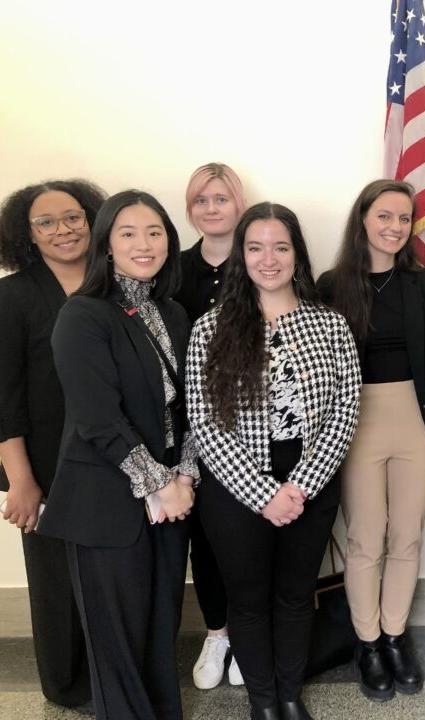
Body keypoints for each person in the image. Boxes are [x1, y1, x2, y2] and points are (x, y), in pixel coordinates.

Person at [186, 202, 361, 720]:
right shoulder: (210, 328)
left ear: (297, 255)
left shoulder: (329, 325)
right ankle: (262, 702)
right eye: (256, 247)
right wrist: (265, 494)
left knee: (293, 595)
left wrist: (300, 485)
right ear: (241, 256)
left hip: (312, 478)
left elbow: (346, 410)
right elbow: (204, 421)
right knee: (247, 600)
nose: (269, 259)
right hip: (236, 485)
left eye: (280, 247)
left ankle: (289, 694)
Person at [37, 190, 197, 720]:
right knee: (118, 645)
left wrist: (186, 477)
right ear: (106, 244)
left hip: (171, 503)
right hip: (107, 504)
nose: (143, 243)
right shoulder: (82, 314)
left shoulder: (170, 311)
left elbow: (190, 405)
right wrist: (160, 483)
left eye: (154, 232)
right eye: (127, 233)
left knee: (159, 631)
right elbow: (97, 419)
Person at [317, 179, 425, 701]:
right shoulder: (331, 284)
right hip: (355, 420)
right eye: (384, 216)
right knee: (366, 538)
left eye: (403, 219)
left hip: (412, 419)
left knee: (408, 535)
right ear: (363, 219)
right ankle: (366, 643)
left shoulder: (422, 285)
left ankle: (394, 635)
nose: (394, 228)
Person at [0, 179, 105, 709]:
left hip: (115, 458)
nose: (63, 229)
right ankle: (67, 686)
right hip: (45, 465)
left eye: (72, 217)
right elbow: (4, 398)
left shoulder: (116, 283)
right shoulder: (12, 296)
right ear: (28, 234)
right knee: (55, 583)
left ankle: (113, 673)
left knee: (111, 576)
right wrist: (20, 480)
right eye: (47, 222)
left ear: (91, 219)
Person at [175, 162, 247, 689]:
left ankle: (248, 633)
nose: (212, 208)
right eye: (202, 199)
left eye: (221, 198)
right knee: (205, 535)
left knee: (253, 533)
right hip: (192, 428)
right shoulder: (173, 270)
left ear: (238, 204)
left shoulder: (263, 258)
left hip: (255, 428)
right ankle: (217, 632)